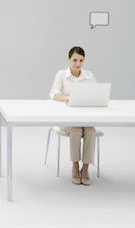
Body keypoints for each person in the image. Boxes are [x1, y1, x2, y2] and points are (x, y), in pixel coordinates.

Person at [49, 46, 96, 185]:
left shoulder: (88, 76)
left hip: (85, 118)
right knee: (76, 130)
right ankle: (75, 167)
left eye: (81, 60)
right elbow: (53, 95)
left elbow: (96, 93)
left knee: (90, 130)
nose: (78, 64)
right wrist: (69, 98)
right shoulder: (61, 75)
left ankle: (85, 168)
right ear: (69, 59)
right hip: (67, 120)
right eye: (75, 60)